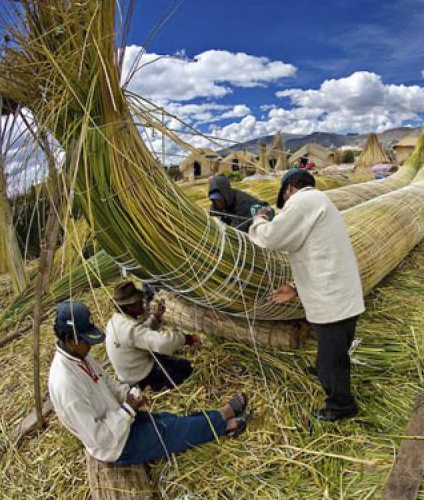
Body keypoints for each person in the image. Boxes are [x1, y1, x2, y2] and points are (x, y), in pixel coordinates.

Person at [48, 300, 250, 465]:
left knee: (168, 420)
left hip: (121, 420)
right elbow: (100, 437)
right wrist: (127, 409)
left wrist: (130, 396)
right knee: (169, 433)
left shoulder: (80, 356)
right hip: (117, 445)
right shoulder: (66, 384)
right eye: (86, 340)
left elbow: (107, 382)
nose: (91, 347)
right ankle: (225, 424)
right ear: (68, 338)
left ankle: (219, 416)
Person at [249, 169, 364, 421]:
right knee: (333, 349)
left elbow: (272, 237)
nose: (286, 205)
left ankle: (341, 405)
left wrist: (258, 220)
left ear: (290, 188)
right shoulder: (321, 201)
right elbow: (318, 253)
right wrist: (294, 287)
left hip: (333, 299)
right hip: (340, 294)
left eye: (285, 199)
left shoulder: (304, 200)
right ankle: (326, 371)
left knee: (333, 359)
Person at [106, 281, 200, 391]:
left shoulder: (116, 321)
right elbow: (162, 343)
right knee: (187, 369)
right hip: (141, 379)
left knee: (177, 363)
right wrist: (186, 339)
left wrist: (155, 317)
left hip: (130, 374)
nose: (142, 303)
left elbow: (140, 336)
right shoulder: (130, 328)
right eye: (138, 302)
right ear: (129, 307)